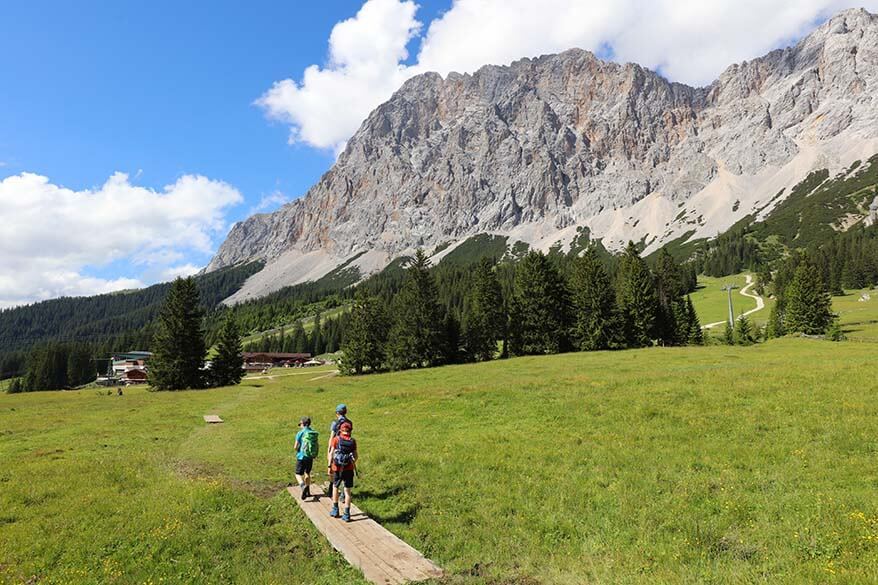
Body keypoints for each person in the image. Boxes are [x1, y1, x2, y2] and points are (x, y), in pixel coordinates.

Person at [328, 421, 357, 522]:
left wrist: (329, 466)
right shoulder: (352, 441)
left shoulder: (336, 439)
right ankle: (347, 514)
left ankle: (335, 510)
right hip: (349, 469)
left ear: (340, 430)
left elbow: (331, 453)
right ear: (350, 431)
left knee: (335, 487)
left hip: (337, 468)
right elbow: (355, 456)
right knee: (347, 491)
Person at [327, 404, 352, 501]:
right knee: (345, 469)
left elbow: (331, 437)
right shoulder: (349, 423)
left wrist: (329, 449)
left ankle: (333, 489)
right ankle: (343, 493)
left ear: (337, 413)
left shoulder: (335, 423)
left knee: (335, 469)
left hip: (336, 448)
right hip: (347, 449)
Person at [294, 416, 319, 500]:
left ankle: (302, 486)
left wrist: (297, 450)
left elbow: (295, 446)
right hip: (310, 457)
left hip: (301, 457)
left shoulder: (300, 433)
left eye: (300, 424)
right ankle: (308, 491)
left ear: (303, 424)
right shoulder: (312, 433)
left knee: (297, 474)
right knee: (307, 473)